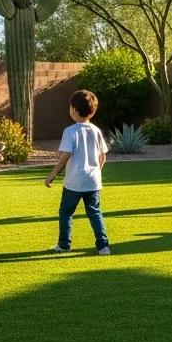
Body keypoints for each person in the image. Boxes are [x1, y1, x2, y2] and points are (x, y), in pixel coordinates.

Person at [44, 89, 111, 254]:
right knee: (95, 213)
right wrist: (96, 172)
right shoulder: (96, 130)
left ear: (73, 109)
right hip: (93, 182)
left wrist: (53, 174)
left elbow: (65, 155)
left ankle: (64, 245)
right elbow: (103, 156)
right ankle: (103, 246)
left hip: (74, 182)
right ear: (92, 112)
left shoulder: (70, 131)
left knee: (66, 212)